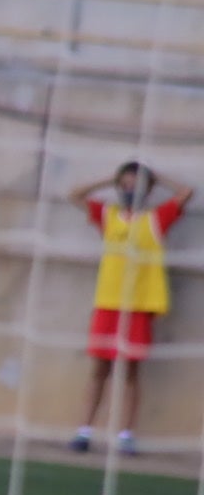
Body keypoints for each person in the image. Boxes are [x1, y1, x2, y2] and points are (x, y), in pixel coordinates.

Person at [66, 162, 193, 456]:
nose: (128, 189)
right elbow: (74, 195)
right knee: (99, 370)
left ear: (147, 189)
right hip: (108, 304)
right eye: (124, 184)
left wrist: (156, 176)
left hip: (137, 307)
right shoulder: (109, 216)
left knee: (130, 373)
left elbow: (187, 193)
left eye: (135, 184)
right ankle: (83, 432)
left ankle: (125, 434)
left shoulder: (155, 219)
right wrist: (107, 179)